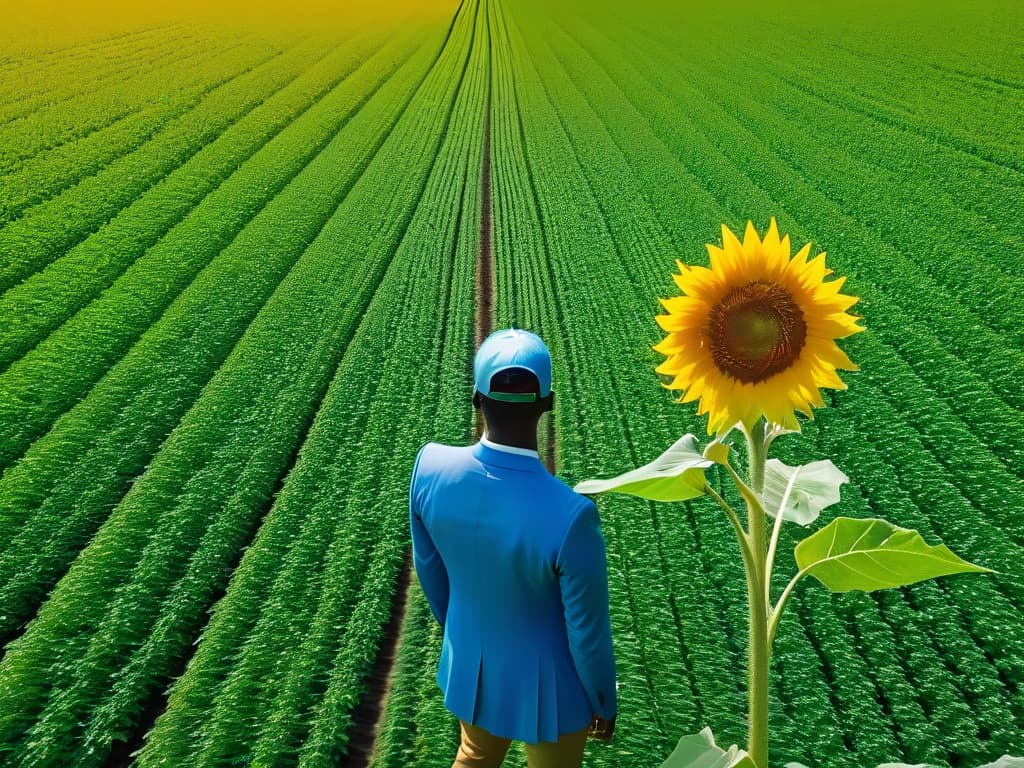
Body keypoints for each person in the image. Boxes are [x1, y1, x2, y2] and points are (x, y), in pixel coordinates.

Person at [409, 327, 617, 768]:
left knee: (475, 755)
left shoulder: (429, 468)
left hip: (471, 668)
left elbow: (431, 572)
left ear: (476, 399)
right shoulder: (572, 515)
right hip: (555, 691)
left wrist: (467, 631)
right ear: (548, 403)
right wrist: (603, 699)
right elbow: (587, 632)